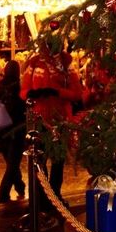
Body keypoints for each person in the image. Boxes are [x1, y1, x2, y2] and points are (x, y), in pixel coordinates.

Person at [20, 40, 82, 209]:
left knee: (58, 162)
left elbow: (77, 93)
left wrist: (57, 92)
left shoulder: (67, 62)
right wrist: (32, 93)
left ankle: (55, 196)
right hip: (39, 120)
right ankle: (42, 197)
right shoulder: (34, 62)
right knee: (39, 161)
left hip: (59, 121)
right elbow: (23, 91)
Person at [0, 60, 26, 203]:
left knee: (11, 162)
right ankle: (3, 194)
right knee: (13, 164)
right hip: (16, 129)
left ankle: (20, 186)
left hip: (1, 129)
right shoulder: (20, 87)